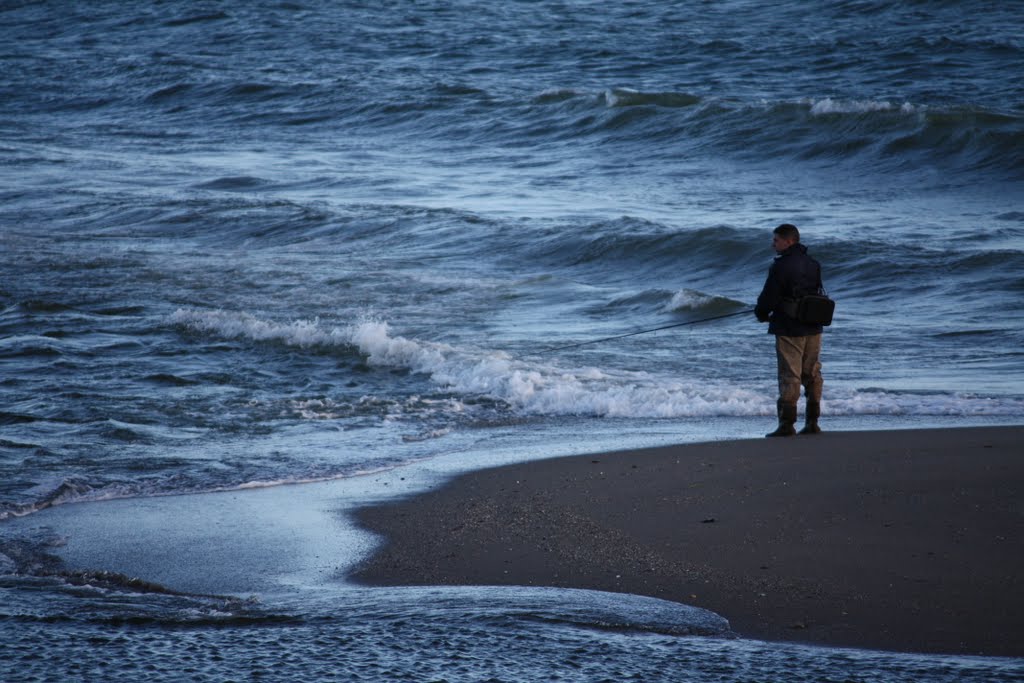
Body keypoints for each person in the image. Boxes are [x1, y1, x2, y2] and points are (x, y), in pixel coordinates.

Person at [754, 223, 824, 437]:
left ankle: (787, 424)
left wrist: (761, 313)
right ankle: (812, 422)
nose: (773, 244)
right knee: (812, 373)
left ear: (789, 241)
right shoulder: (813, 264)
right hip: (813, 325)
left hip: (789, 327)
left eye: (776, 240)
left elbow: (769, 298)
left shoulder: (781, 266)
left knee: (789, 375)